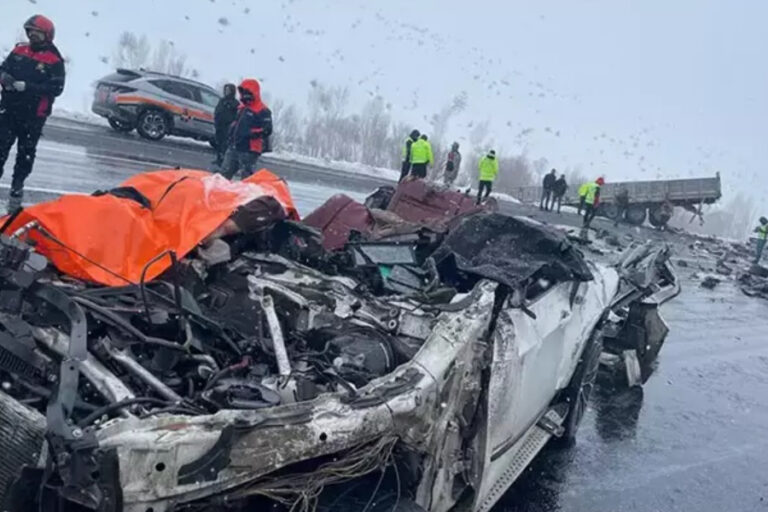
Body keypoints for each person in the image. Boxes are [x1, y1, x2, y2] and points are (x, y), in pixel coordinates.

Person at [0, 15, 65, 212]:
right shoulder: (19, 50)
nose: (31, 36)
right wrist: (5, 77)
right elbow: (3, 68)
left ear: (46, 35)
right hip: (9, 111)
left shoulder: (54, 60)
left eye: (36, 33)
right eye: (30, 33)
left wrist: (27, 87)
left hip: (33, 116)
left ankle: (17, 187)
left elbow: (56, 88)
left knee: (26, 153)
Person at [221, 79, 272, 180]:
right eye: (243, 92)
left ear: (254, 93)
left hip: (250, 150)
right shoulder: (242, 108)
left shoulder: (263, 110)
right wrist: (231, 132)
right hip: (234, 147)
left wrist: (250, 134)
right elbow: (236, 123)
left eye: (247, 92)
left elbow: (267, 129)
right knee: (224, 175)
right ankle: (220, 194)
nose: (244, 95)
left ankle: (245, 195)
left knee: (247, 179)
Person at [213, 83, 239, 167]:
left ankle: (223, 161)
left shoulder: (235, 103)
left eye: (228, 90)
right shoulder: (222, 100)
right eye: (226, 90)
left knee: (225, 144)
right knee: (218, 143)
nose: (226, 92)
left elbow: (236, 116)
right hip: (219, 125)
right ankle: (218, 158)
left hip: (227, 127)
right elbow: (217, 111)